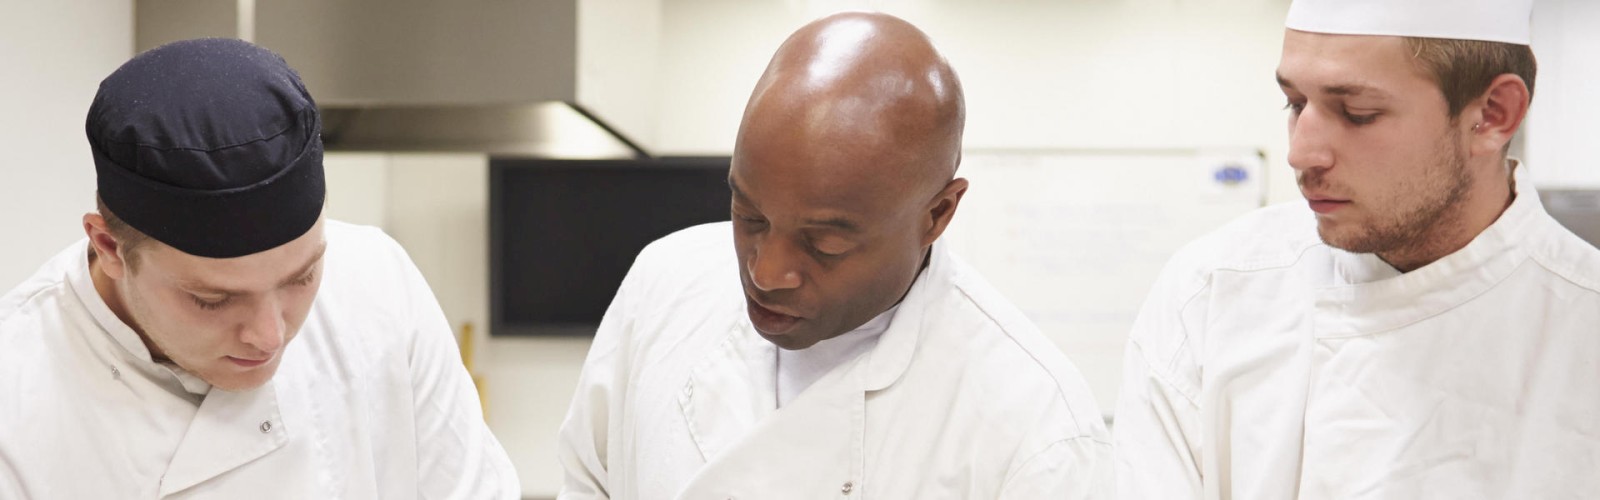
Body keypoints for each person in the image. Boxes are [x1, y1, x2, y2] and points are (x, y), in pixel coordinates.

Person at [557, 11, 1109, 500]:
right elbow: (588, 479)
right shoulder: (666, 281)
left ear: (937, 216)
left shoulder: (1037, 430)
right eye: (749, 216)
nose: (765, 273)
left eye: (826, 243)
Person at [1114, 0, 1600, 498]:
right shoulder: (1211, 294)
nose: (1301, 153)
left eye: (1358, 114)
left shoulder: (1584, 330)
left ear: (1493, 115)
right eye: (1295, 104)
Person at [0, 38, 519, 498]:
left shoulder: (378, 285)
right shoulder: (17, 396)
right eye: (212, 299)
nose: (269, 336)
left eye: (302, 277)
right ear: (109, 246)